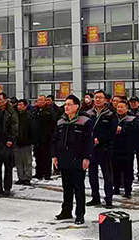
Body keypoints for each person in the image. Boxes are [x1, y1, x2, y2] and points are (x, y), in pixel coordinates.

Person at [52, 94, 92, 224]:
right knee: (66, 187)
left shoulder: (85, 121)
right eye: (65, 104)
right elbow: (55, 140)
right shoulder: (61, 121)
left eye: (69, 104)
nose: (66, 107)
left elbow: (88, 141)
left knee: (78, 188)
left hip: (78, 158)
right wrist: (55, 156)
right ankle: (66, 211)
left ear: (77, 106)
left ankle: (80, 214)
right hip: (64, 158)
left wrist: (86, 158)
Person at [84, 90, 116, 208]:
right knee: (92, 174)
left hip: (105, 148)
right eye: (96, 97)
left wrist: (100, 139)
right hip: (91, 148)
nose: (98, 99)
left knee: (107, 175)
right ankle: (95, 197)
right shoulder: (88, 113)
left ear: (105, 100)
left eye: (100, 98)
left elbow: (112, 131)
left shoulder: (111, 114)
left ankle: (109, 199)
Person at [111, 97, 139, 198]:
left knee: (127, 169)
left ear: (127, 108)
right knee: (115, 169)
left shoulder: (132, 119)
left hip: (127, 148)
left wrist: (123, 130)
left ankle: (128, 190)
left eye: (122, 107)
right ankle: (116, 187)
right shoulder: (113, 118)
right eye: (118, 107)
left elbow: (135, 132)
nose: (119, 109)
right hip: (115, 147)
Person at [32, 94, 56, 180]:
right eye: (38, 100)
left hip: (46, 138)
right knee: (38, 157)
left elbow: (53, 124)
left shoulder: (49, 111)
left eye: (42, 100)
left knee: (46, 157)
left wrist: (51, 136)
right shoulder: (34, 111)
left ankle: (47, 174)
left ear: (45, 101)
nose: (40, 102)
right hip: (37, 138)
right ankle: (39, 173)